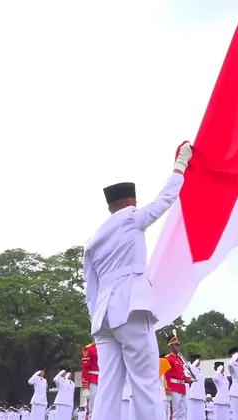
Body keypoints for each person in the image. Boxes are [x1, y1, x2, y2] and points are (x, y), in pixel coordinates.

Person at [83, 142, 193, 420]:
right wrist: (180, 166)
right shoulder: (131, 218)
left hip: (103, 317)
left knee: (108, 388)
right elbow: (165, 200)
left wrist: (98, 319)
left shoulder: (93, 240)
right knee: (146, 383)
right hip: (130, 308)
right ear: (131, 201)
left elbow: (90, 289)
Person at [164, 336, 193, 419]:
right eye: (176, 345)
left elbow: (181, 375)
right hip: (173, 388)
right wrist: (167, 389)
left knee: (182, 412)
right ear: (171, 346)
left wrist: (188, 379)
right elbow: (166, 376)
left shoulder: (179, 359)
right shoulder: (168, 359)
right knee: (174, 412)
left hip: (182, 387)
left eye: (178, 345)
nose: (178, 347)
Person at [226, 347, 238, 420]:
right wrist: (234, 357)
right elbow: (229, 364)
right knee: (236, 415)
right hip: (236, 392)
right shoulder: (232, 364)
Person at [80, 342, 99, 416]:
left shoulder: (107, 346)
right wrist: (85, 387)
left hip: (104, 379)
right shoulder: (88, 348)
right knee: (92, 408)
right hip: (93, 378)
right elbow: (85, 369)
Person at [185, 355, 206, 420]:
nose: (199, 362)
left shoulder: (200, 370)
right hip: (194, 394)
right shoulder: (193, 369)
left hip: (201, 394)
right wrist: (195, 361)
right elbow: (190, 369)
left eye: (199, 360)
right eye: (198, 360)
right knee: (193, 413)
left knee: (200, 414)